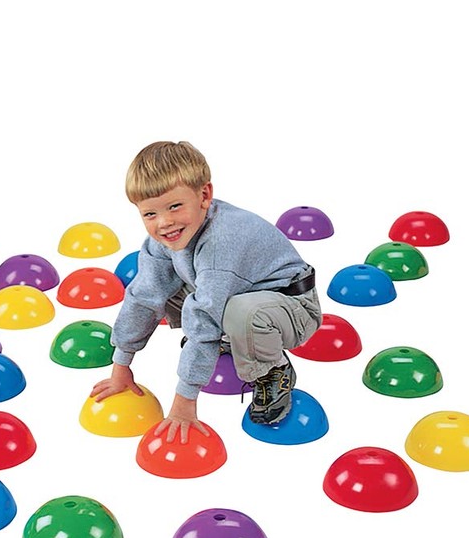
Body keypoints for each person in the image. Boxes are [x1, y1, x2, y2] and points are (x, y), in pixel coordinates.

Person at [90, 140, 322, 443]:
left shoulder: (221, 242)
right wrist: (121, 366)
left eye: (175, 206)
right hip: (237, 295)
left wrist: (184, 402)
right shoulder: (166, 238)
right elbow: (144, 297)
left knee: (235, 313)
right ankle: (229, 340)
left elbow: (204, 315)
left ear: (204, 195)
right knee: (164, 286)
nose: (165, 223)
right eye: (150, 214)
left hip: (292, 308)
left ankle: (272, 369)